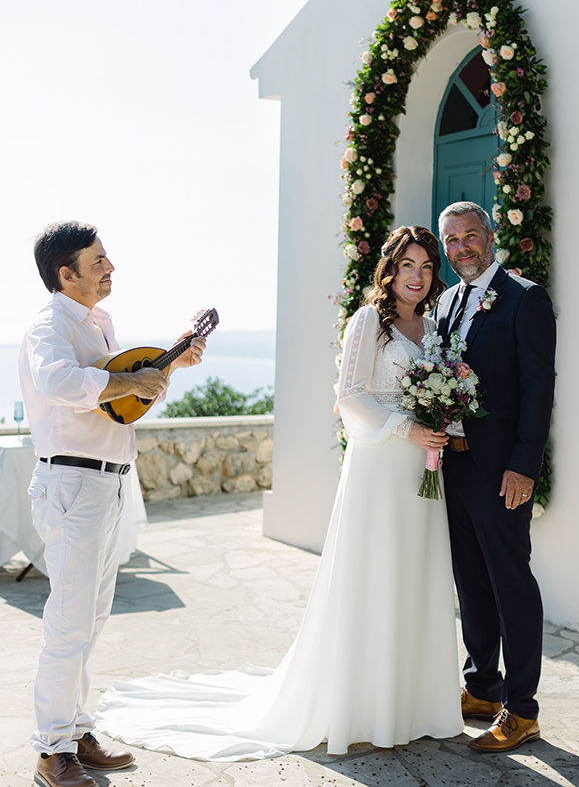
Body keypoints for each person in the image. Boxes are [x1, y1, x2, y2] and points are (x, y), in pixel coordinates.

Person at [94, 225, 463, 761]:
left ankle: (413, 703)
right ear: (390, 269)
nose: (418, 276)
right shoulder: (369, 321)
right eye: (408, 265)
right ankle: (366, 704)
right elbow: (351, 395)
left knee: (415, 572)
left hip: (421, 469)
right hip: (380, 463)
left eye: (427, 267)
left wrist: (438, 424)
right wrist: (405, 428)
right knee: (376, 571)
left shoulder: (434, 327)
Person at [20, 221, 205, 787]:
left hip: (108, 481)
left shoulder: (99, 323)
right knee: (69, 621)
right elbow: (59, 383)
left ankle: (75, 730)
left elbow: (121, 400)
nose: (110, 268)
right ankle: (52, 750)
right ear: (66, 274)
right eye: (97, 261)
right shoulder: (49, 326)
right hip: (73, 481)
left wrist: (167, 367)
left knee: (92, 619)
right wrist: (131, 382)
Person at [436, 201, 556, 753]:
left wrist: (523, 465)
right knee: (472, 581)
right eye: (452, 239)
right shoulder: (445, 302)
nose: (462, 247)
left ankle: (522, 709)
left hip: (501, 469)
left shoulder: (523, 298)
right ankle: (482, 686)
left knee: (511, 581)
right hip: (454, 462)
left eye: (470, 235)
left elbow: (538, 387)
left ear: (489, 237)